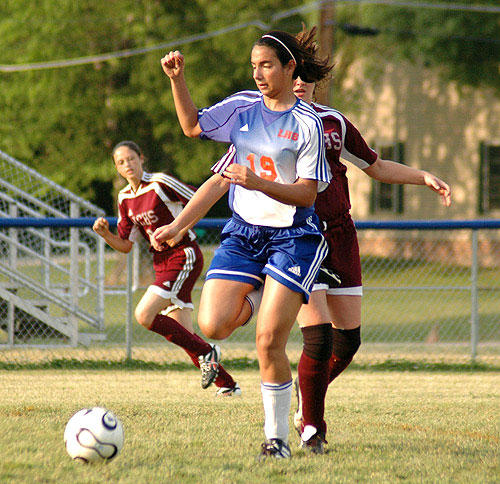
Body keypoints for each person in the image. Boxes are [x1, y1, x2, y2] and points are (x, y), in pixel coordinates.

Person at [155, 30, 332, 459]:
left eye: (267, 65)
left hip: (294, 239)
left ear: (291, 69)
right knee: (213, 325)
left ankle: (277, 440)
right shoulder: (241, 110)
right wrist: (178, 226)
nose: (258, 73)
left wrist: (259, 182)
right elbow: (193, 128)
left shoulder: (308, 123)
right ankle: (261, 289)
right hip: (244, 234)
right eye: (253, 65)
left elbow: (308, 195)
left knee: (269, 340)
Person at [291, 28, 452, 453]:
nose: (301, 81)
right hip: (299, 235)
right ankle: (312, 430)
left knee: (348, 340)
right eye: (294, 73)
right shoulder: (266, 125)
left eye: (307, 74)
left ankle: (305, 391)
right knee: (318, 337)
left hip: (340, 233)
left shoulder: (334, 122)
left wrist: (422, 176)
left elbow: (375, 167)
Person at [92, 140, 241, 397]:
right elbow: (126, 245)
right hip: (162, 264)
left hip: (183, 255)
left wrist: (179, 229)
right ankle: (227, 386)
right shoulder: (125, 197)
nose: (127, 165)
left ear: (141, 158)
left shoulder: (159, 183)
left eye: (131, 158)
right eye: (121, 162)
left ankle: (208, 352)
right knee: (185, 336)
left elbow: (198, 200)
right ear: (116, 168)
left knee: (144, 314)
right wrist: (105, 234)